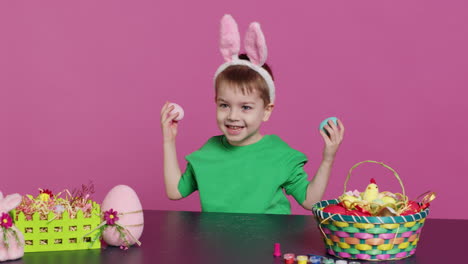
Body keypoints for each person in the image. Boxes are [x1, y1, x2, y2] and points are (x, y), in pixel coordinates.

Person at [160, 15, 344, 214]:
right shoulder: (209, 151)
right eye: (224, 105)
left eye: (245, 107)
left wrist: (327, 158)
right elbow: (175, 191)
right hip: (218, 243)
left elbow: (310, 200)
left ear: (266, 111)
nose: (232, 116)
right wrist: (168, 141)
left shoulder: (279, 154)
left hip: (269, 244)